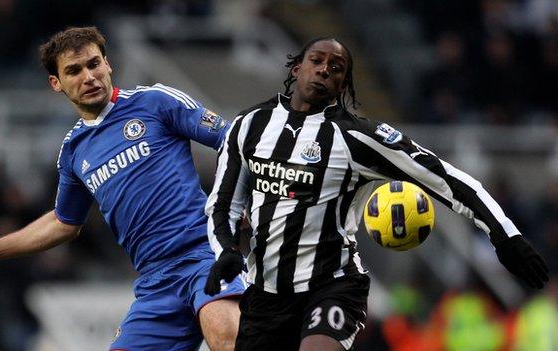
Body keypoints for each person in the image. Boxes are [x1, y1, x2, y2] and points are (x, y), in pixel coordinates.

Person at [203, 37, 549, 351]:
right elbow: (223, 203)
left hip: (331, 286)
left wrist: (505, 235)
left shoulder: (356, 137)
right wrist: (227, 250)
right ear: (297, 68)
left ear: (342, 85)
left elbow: (443, 177)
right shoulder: (249, 125)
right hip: (265, 295)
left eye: (336, 68)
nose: (325, 69)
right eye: (317, 60)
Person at [0, 26, 244, 351]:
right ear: (56, 83)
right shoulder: (74, 151)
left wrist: (238, 208)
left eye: (93, 64)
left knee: (226, 337)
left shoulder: (155, 102)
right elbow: (63, 222)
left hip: (203, 255)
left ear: (108, 64)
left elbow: (234, 141)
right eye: (74, 70)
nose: (89, 76)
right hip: (156, 282)